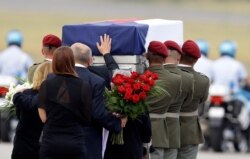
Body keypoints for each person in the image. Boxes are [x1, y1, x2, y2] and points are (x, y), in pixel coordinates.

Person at [70, 34, 126, 159]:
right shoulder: (96, 81)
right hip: (88, 140)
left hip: (58, 139)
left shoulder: (54, 78)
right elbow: (98, 113)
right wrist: (117, 124)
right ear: (90, 61)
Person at [37, 46, 93, 159]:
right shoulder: (84, 86)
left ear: (55, 62)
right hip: (74, 142)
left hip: (51, 141)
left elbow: (43, 118)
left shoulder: (46, 85)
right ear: (72, 62)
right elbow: (87, 118)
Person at [104, 69, 152, 159]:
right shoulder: (141, 105)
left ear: (112, 84)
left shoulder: (106, 103)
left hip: (112, 151)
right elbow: (147, 133)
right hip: (133, 150)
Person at [11, 62, 52, 159]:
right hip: (44, 144)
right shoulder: (54, 96)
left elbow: (19, 115)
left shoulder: (25, 94)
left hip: (22, 144)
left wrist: (17, 94)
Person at [177, 40, 210, 159]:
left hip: (166, 129)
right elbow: (202, 100)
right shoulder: (203, 80)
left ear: (179, 55)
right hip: (189, 131)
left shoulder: (167, 75)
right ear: (196, 59)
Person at [163, 40, 194, 159]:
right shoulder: (187, 77)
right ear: (179, 57)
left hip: (152, 129)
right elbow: (187, 102)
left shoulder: (150, 74)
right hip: (173, 128)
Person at [144, 41, 175, 159]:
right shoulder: (175, 79)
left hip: (138, 129)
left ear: (147, 56)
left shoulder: (138, 76)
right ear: (165, 57)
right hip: (160, 130)